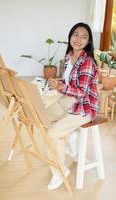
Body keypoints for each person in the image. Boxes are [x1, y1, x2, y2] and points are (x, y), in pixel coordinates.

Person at [46, 22, 99, 190]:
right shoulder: (70, 56)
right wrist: (58, 82)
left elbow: (82, 92)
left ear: (88, 42)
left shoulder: (87, 62)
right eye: (76, 35)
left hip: (84, 107)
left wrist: (61, 87)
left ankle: (60, 172)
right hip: (69, 100)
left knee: (52, 133)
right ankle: (70, 140)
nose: (78, 39)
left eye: (84, 37)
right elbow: (70, 81)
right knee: (44, 117)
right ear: (70, 36)